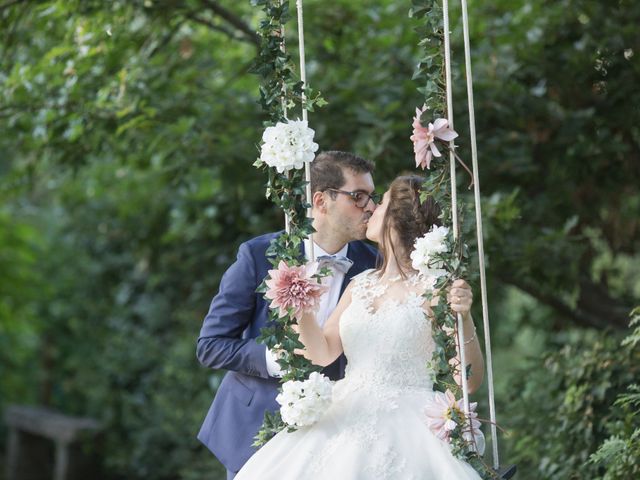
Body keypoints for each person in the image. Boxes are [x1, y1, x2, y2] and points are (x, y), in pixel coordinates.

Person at [234, 175, 485, 480]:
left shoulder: (435, 288)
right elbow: (322, 353)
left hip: (407, 423)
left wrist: (465, 316)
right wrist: (301, 309)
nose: (372, 208)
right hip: (345, 410)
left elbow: (467, 381)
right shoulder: (361, 283)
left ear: (397, 219)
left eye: (381, 203)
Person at [196, 151, 380, 479]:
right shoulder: (257, 256)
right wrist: (271, 359)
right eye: (359, 196)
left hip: (337, 437)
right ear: (322, 201)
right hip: (254, 431)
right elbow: (210, 345)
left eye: (371, 196)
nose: (371, 207)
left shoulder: (375, 265)